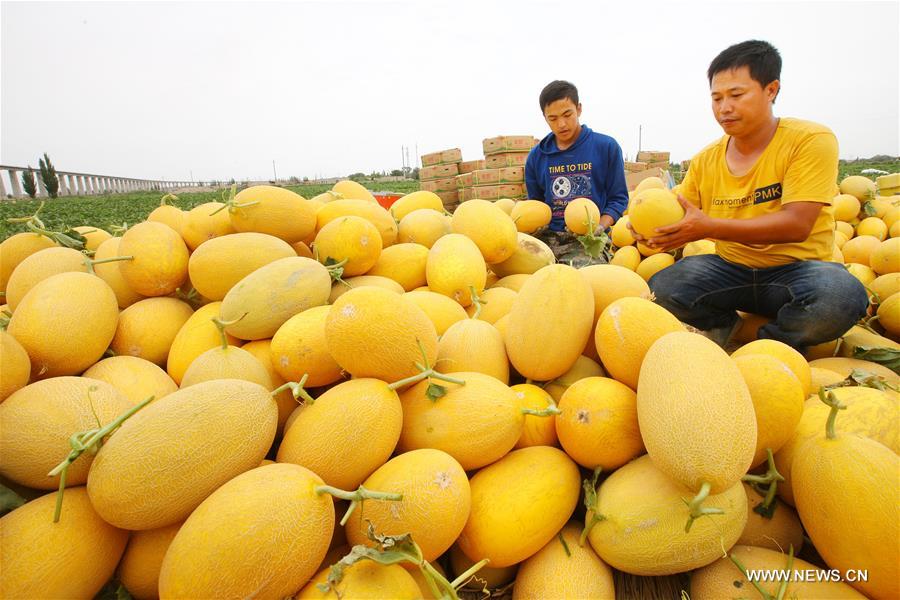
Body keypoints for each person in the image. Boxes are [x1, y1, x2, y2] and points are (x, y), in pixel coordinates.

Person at [634, 40, 868, 351]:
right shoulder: (706, 160)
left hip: (798, 271)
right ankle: (727, 325)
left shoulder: (810, 140)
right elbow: (680, 214)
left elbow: (797, 225)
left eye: (736, 95)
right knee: (661, 289)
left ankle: (766, 345)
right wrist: (656, 232)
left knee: (840, 296)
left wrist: (708, 228)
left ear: (771, 90)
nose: (724, 108)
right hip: (730, 270)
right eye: (716, 98)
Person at [525, 80, 628, 266]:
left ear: (579, 109)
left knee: (579, 278)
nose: (561, 124)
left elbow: (618, 199)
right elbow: (536, 205)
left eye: (567, 115)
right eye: (553, 118)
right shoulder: (536, 157)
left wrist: (600, 227)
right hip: (547, 239)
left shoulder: (606, 147)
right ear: (545, 118)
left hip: (587, 240)